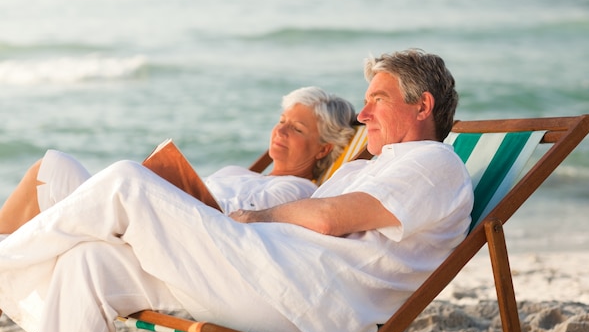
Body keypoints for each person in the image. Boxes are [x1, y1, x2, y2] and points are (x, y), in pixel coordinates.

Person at [0, 49, 473, 332]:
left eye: (378, 99)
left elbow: (328, 218)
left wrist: (258, 216)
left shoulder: (433, 163)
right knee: (91, 262)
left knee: (125, 180)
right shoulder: (372, 166)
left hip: (301, 298)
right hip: (266, 279)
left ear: (422, 105)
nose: (364, 112)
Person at [0, 85, 357, 234]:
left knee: (56, 168)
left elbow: (231, 226)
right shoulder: (242, 173)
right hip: (144, 217)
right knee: (50, 168)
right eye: (281, 122)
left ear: (325, 148)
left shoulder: (295, 192)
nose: (280, 132)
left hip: (160, 235)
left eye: (296, 129)